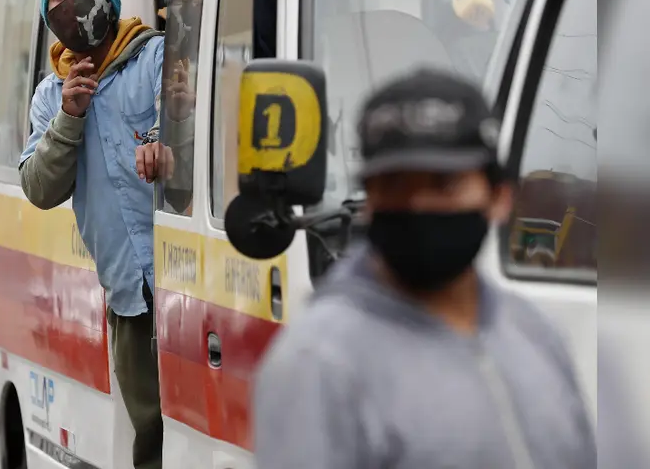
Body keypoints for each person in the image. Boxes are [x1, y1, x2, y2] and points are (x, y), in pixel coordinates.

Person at [253, 67, 596, 469]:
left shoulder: (533, 332)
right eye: (395, 185)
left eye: (444, 184)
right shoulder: (320, 363)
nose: (418, 205)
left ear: (499, 197)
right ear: (370, 201)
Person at [19, 0, 166, 469]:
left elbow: (188, 123)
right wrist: (69, 116)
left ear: (109, 2)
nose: (72, 5)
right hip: (129, 295)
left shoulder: (153, 58)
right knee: (150, 429)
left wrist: (160, 140)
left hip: (186, 284)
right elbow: (39, 187)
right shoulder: (48, 97)